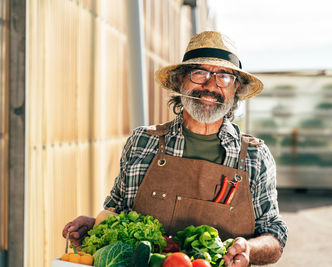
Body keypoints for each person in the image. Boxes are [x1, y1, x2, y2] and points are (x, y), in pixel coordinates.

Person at [62, 31, 288, 266]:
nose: (211, 85)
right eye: (199, 73)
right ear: (181, 81)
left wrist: (249, 249)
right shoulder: (143, 142)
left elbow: (275, 235)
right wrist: (94, 228)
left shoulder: (254, 156)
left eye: (224, 77)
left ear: (235, 89)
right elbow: (116, 211)